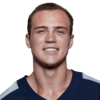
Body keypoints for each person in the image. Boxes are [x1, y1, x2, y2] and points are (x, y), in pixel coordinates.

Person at [0, 2, 100, 100]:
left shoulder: (97, 91)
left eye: (59, 31)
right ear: (27, 41)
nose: (51, 38)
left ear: (71, 41)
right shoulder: (8, 97)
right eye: (41, 31)